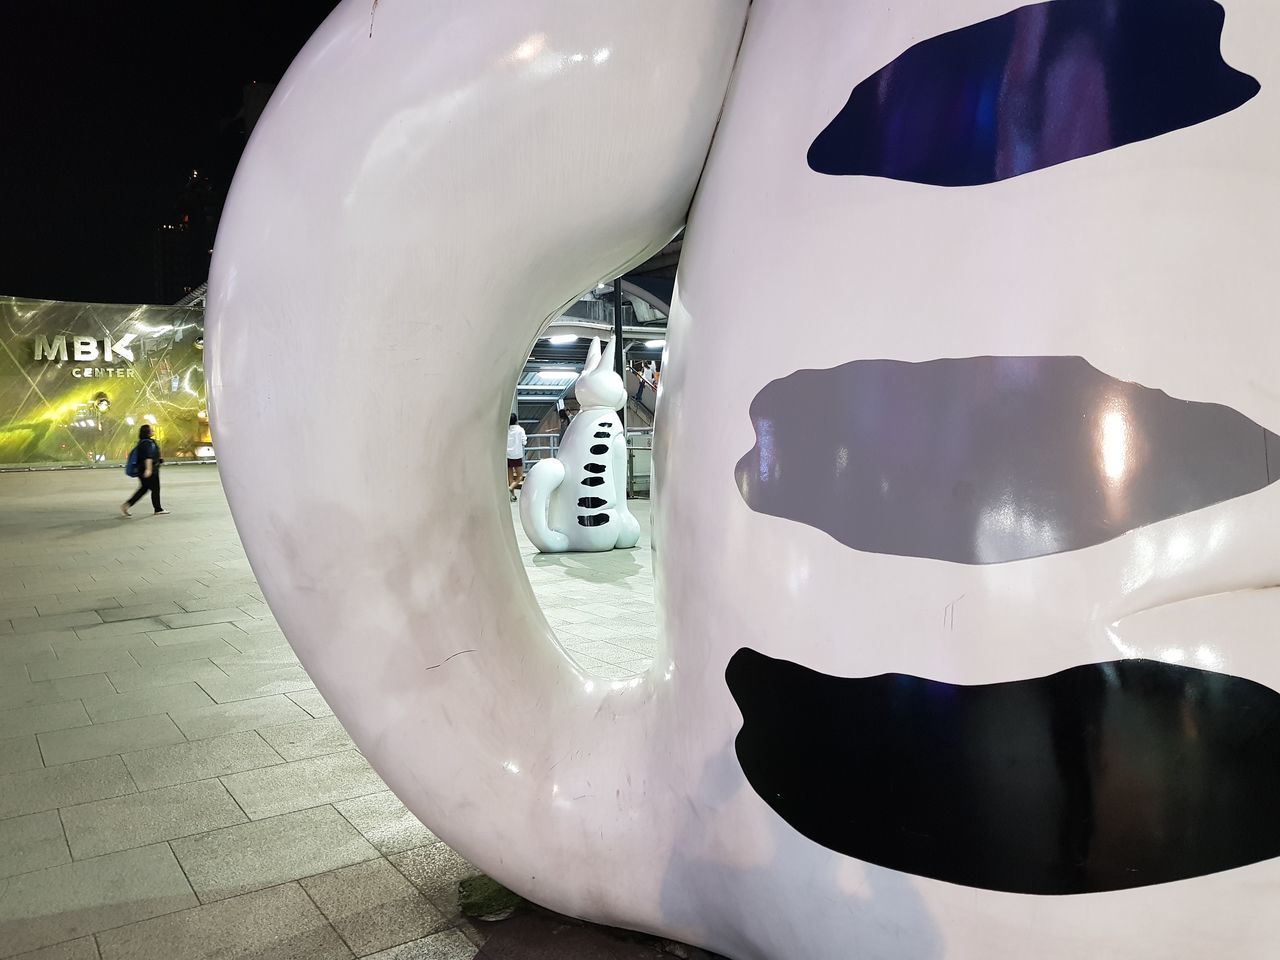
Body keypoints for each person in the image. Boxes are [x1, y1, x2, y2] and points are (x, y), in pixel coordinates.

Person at [120, 424, 168, 517]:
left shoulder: (144, 442)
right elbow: (148, 457)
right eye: (151, 430)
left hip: (143, 469)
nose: (153, 431)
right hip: (149, 470)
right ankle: (158, 509)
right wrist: (149, 469)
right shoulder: (147, 443)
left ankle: (127, 505)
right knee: (155, 489)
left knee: (143, 489)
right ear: (147, 432)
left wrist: (159, 459)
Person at [506, 413, 527, 501]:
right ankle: (510, 489)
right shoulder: (520, 430)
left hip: (507, 455)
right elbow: (524, 442)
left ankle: (512, 496)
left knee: (510, 477)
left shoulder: (506, 430)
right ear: (516, 420)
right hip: (517, 455)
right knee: (520, 476)